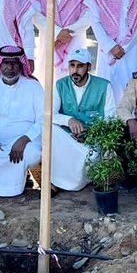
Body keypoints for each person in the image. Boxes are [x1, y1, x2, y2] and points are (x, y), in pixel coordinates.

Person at [0, 45, 45, 197]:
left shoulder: (33, 87)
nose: (10, 67)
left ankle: (22, 180)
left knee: (33, 154)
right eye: (6, 62)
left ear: (21, 64)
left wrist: (24, 140)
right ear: (0, 64)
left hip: (21, 142)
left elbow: (43, 119)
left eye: (14, 63)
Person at [50, 48, 117, 191]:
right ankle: (55, 182)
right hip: (68, 137)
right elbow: (51, 114)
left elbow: (111, 119)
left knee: (90, 159)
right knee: (50, 130)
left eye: (80, 66)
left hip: (93, 139)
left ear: (89, 67)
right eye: (72, 65)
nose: (75, 70)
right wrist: (69, 120)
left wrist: (90, 134)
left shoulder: (104, 86)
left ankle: (78, 182)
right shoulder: (60, 85)